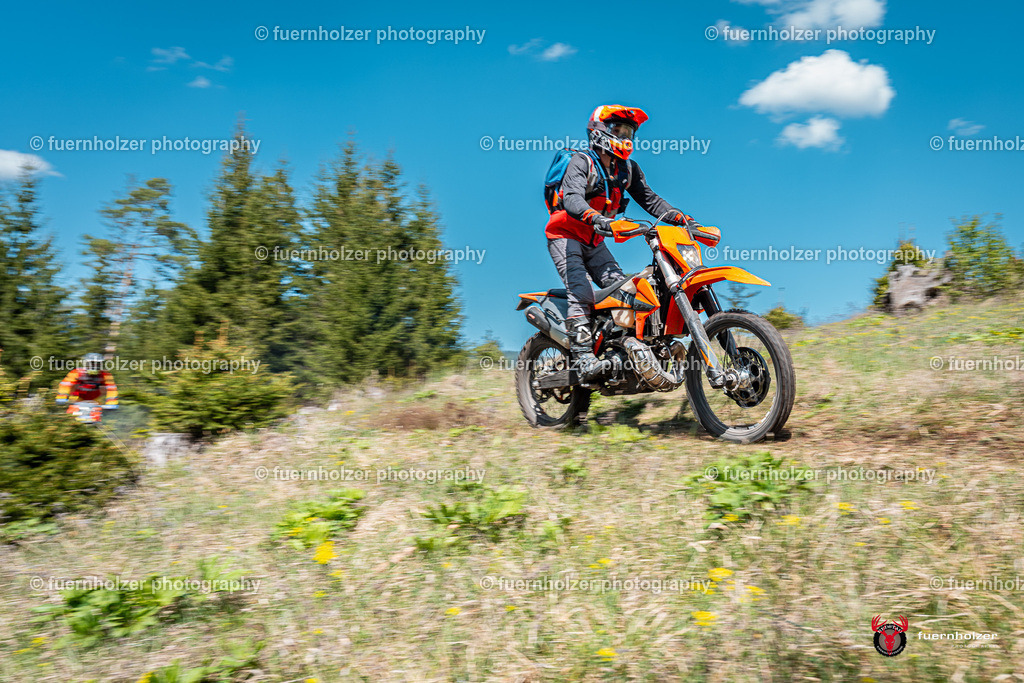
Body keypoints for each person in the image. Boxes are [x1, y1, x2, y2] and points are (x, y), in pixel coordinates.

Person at [545, 104, 697, 379]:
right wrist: (596, 218)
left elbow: (650, 199)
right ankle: (582, 359)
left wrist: (683, 220)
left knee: (625, 292)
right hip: (565, 236)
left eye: (629, 132)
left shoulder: (627, 169)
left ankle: (621, 351)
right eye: (619, 130)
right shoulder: (583, 161)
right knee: (581, 292)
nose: (625, 137)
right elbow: (572, 198)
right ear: (600, 131)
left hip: (594, 241)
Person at [56, 353, 119, 419]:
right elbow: (65, 385)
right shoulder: (76, 372)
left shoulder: (105, 375)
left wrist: (112, 402)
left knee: (95, 417)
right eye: (92, 363)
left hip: (94, 400)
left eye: (97, 363)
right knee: (71, 417)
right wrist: (62, 397)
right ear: (86, 363)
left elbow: (111, 389)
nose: (94, 365)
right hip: (76, 399)